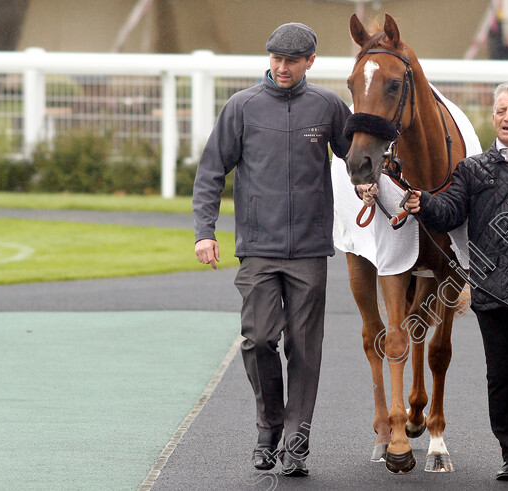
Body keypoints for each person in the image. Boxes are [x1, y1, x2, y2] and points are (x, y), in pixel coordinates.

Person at [359, 81, 508, 481]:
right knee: (500, 375)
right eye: (501, 111)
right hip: (492, 289)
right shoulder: (472, 170)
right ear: (493, 118)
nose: (507, 117)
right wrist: (422, 202)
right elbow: (449, 212)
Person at [192, 22, 351, 477]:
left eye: (292, 61)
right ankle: (269, 429)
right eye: (276, 59)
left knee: (304, 348)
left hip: (309, 250)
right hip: (258, 249)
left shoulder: (327, 106)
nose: (282, 68)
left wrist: (368, 184)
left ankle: (296, 441)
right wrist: (206, 231)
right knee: (259, 339)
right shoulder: (241, 107)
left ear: (310, 63)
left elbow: (357, 158)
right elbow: (210, 173)